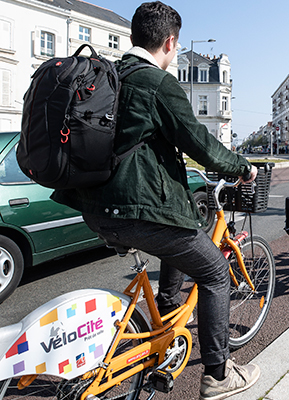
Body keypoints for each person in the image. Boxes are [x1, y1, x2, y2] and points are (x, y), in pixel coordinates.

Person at [51, 2, 260, 399]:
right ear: (169, 42)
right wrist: (241, 167)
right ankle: (218, 375)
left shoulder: (110, 75)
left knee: (175, 245)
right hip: (136, 210)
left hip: (96, 207)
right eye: (176, 48)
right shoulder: (157, 83)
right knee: (215, 272)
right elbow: (200, 143)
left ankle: (164, 335)